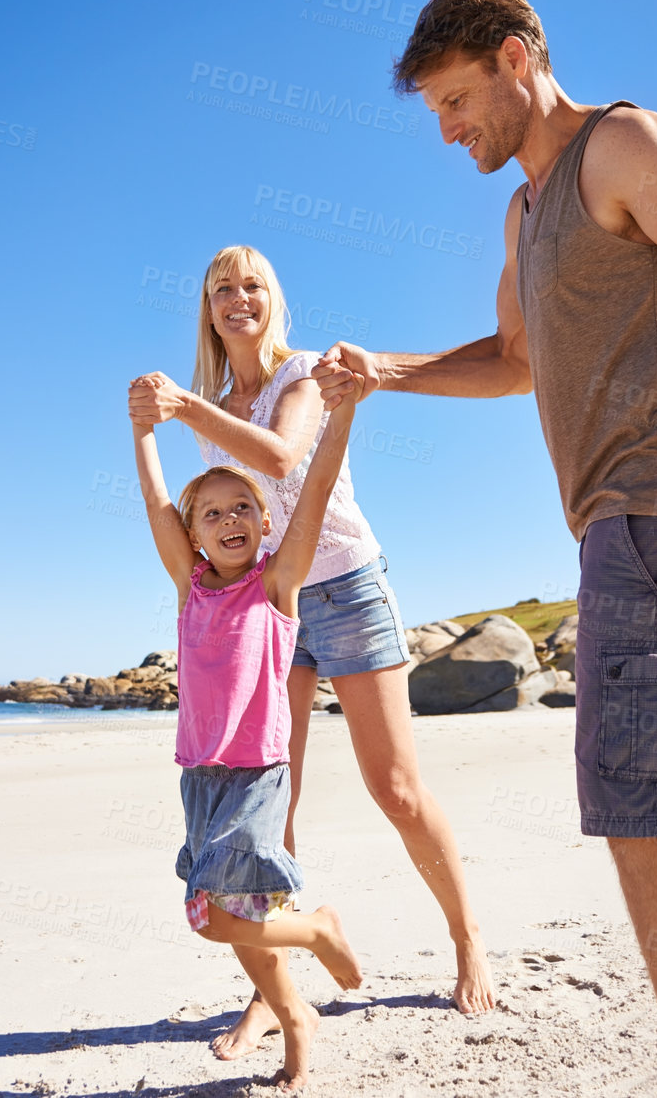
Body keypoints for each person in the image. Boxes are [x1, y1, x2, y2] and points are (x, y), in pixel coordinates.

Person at [312, 0, 657, 1098]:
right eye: (432, 109)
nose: (446, 128)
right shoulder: (524, 214)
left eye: (457, 98)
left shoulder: (622, 146)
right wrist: (389, 371)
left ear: (518, 59)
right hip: (619, 524)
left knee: (641, 811)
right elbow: (518, 357)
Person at [129, 245, 495, 1046]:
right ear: (207, 307)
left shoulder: (301, 375)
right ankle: (278, 988)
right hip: (268, 607)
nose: (237, 298)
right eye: (221, 288)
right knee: (272, 800)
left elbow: (285, 458)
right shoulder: (215, 407)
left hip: (347, 587)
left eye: (252, 285)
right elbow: (216, 523)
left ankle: (467, 939)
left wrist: (183, 407)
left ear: (274, 298)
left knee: (395, 787)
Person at [130, 377, 364, 1094]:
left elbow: (317, 487)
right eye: (211, 513)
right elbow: (153, 503)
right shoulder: (190, 585)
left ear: (264, 525)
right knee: (229, 913)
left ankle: (320, 929)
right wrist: (143, 427)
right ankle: (296, 1017)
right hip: (201, 774)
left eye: (242, 509)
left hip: (258, 770)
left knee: (213, 916)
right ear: (192, 531)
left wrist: (343, 412)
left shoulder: (275, 585)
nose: (229, 520)